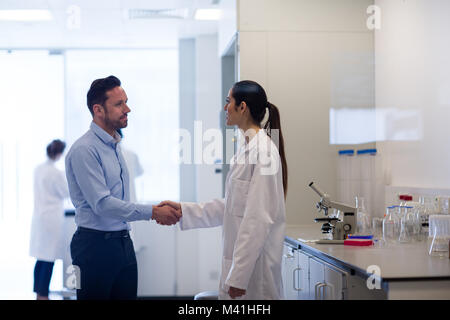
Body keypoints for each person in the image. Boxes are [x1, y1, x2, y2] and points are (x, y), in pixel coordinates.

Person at [159, 80, 288, 300]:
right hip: (243, 267)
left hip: (255, 276)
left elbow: (258, 218)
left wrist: (239, 276)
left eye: (229, 101)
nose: (225, 107)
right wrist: (184, 210)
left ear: (242, 107)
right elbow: (231, 206)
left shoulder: (264, 152)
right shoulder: (247, 149)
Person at [65, 75, 181, 300]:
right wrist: (153, 212)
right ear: (98, 110)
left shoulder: (115, 145)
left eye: (125, 101)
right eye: (119, 104)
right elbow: (102, 204)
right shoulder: (84, 150)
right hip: (94, 247)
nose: (127, 109)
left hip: (123, 242)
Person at [29, 139, 69, 300]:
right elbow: (66, 193)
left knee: (41, 257)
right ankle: (44, 295)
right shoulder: (55, 173)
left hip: (39, 217)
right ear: (59, 154)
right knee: (49, 258)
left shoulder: (38, 169)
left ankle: (39, 292)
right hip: (51, 218)